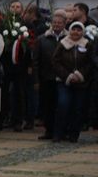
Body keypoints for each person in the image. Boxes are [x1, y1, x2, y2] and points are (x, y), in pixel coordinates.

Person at [52, 21, 93, 142]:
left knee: (78, 108)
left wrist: (79, 75)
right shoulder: (63, 43)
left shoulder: (87, 45)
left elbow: (90, 63)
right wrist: (68, 76)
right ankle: (58, 133)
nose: (76, 32)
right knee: (63, 105)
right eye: (74, 29)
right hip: (64, 81)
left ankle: (74, 134)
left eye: (79, 30)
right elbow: (55, 61)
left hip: (81, 82)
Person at [36, 9, 68, 140]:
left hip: (63, 77)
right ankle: (49, 130)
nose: (56, 25)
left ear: (64, 24)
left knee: (62, 105)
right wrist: (36, 79)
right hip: (46, 77)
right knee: (47, 105)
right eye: (54, 22)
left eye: (59, 23)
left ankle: (61, 131)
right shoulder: (42, 39)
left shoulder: (69, 38)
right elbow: (36, 60)